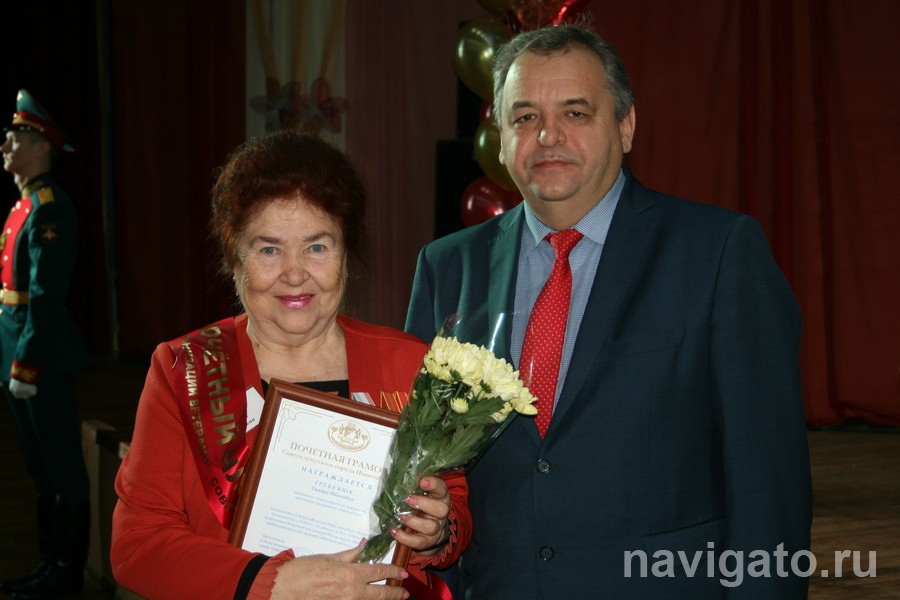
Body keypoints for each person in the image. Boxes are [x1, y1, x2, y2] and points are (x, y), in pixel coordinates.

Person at [406, 21, 812, 599]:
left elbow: (767, 483)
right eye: (525, 116)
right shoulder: (447, 267)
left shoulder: (718, 253)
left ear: (625, 126)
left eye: (575, 113)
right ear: (500, 139)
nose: (548, 136)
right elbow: (421, 465)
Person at [111, 130, 471, 600]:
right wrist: (272, 583)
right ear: (235, 258)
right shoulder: (184, 369)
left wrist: (438, 531)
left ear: (346, 255)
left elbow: (454, 505)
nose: (295, 273)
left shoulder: (409, 363)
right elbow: (137, 546)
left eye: (317, 247)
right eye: (269, 249)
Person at [0, 89, 91, 600]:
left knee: (62, 470)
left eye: (15, 138)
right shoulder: (26, 204)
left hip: (42, 358)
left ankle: (63, 576)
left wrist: (26, 364)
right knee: (41, 470)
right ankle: (45, 568)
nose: (5, 146)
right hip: (19, 351)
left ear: (40, 146)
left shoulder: (49, 210)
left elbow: (44, 298)